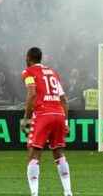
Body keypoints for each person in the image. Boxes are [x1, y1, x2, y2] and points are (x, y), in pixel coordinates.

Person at [20, 47, 73, 196]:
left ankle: (34, 194)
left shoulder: (28, 72)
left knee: (34, 154)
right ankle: (68, 192)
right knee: (59, 153)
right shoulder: (53, 73)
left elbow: (31, 93)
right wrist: (66, 123)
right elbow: (64, 99)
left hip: (43, 114)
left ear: (28, 58)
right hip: (58, 114)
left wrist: (26, 118)